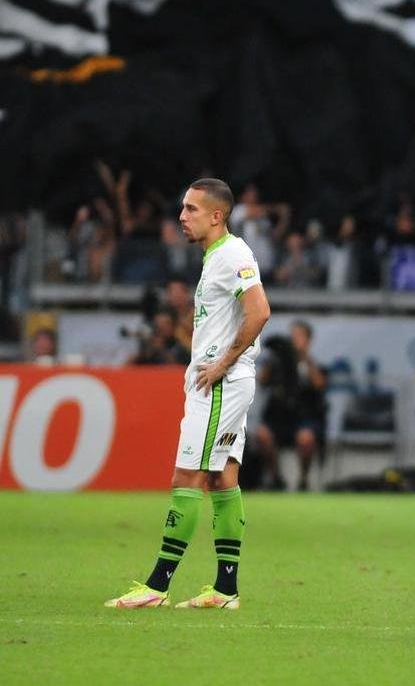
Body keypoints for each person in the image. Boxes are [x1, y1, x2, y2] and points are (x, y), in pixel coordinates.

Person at [105, 178, 270, 609]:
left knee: (187, 476)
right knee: (222, 478)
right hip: (224, 382)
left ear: (217, 215)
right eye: (183, 208)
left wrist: (223, 363)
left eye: (191, 209)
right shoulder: (218, 255)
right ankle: (226, 590)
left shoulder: (231, 254)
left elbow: (260, 311)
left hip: (219, 385)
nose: (182, 216)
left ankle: (157, 586)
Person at [255, 320, 327, 491]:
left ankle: (303, 479)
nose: (295, 340)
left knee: (305, 438)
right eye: (292, 336)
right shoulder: (278, 362)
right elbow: (262, 381)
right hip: (279, 418)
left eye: (299, 336)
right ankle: (275, 478)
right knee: (262, 434)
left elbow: (320, 385)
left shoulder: (312, 364)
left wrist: (304, 358)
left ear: (308, 341)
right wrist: (274, 357)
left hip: (304, 418)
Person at [127, 309, 191, 365]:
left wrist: (162, 350)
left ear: (173, 325)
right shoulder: (149, 344)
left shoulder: (180, 346)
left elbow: (181, 367)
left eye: (165, 324)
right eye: (158, 324)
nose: (161, 328)